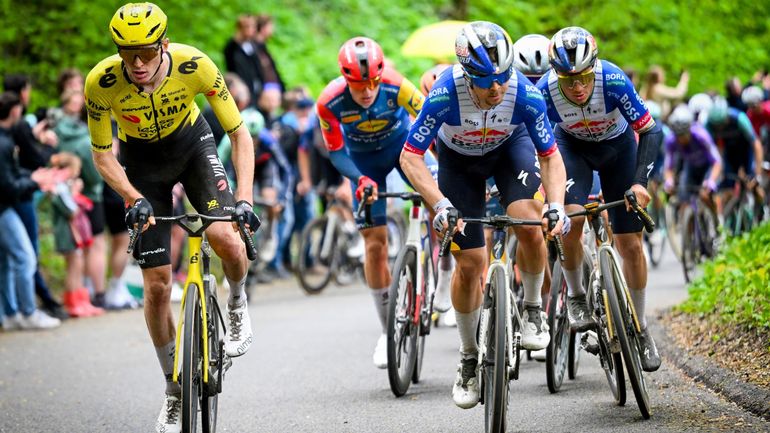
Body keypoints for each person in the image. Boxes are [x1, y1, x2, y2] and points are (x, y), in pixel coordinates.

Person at [84, 4, 260, 432]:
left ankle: (236, 301)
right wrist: (131, 196)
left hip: (193, 145)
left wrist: (246, 198)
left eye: (145, 51)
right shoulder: (100, 83)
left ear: (163, 44)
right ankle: (173, 389)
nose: (137, 63)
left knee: (227, 239)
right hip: (142, 165)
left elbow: (238, 133)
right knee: (158, 286)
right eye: (128, 53)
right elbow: (102, 154)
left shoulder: (195, 64)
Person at [400, 22, 569, 409]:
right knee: (470, 263)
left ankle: (531, 310)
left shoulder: (524, 94)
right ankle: (469, 355)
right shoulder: (444, 93)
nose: (495, 88)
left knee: (530, 221)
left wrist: (555, 203)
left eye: (502, 77)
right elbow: (411, 156)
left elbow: (550, 156)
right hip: (458, 163)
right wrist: (439, 203)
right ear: (465, 73)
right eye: (484, 80)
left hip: (509, 151)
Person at [536, 26, 664, 373]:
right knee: (570, 220)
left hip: (617, 150)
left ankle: (639, 327)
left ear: (595, 67)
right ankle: (576, 296)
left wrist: (639, 183)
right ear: (556, 75)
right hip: (571, 150)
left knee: (631, 245)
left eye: (584, 78)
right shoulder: (544, 91)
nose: (577, 88)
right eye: (568, 80)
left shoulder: (614, 80)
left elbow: (650, 130)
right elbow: (536, 143)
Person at [316, 36, 443, 369]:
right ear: (346, 80)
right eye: (359, 85)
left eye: (373, 81)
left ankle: (442, 271)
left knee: (441, 201)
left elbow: (431, 120)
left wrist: (440, 160)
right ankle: (388, 329)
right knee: (374, 244)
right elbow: (336, 151)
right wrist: (360, 180)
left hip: (405, 150)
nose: (369, 90)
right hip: (363, 164)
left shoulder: (397, 86)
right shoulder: (329, 102)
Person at [0, 91, 61, 331]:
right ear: (15, 110)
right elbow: (7, 187)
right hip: (4, 208)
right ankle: (27, 312)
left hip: (5, 205)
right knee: (25, 257)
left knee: (5, 262)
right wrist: (36, 181)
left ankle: (10, 313)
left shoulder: (5, 140)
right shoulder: (4, 143)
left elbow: (11, 175)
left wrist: (32, 176)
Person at [705, 97, 765, 204]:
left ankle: (764, 211)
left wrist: (758, 173)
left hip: (746, 150)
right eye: (716, 126)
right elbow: (709, 150)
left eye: (722, 124)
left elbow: (756, 144)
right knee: (727, 187)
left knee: (752, 183)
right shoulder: (709, 124)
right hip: (729, 152)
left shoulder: (739, 118)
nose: (720, 128)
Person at [663, 106, 722, 209]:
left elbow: (716, 162)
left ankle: (717, 220)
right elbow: (669, 166)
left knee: (705, 195)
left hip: (708, 166)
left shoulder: (701, 136)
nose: (681, 139)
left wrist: (711, 180)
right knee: (683, 200)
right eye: (678, 136)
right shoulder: (671, 140)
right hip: (691, 166)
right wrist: (669, 180)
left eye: (684, 135)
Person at [223, 14, 263, 107]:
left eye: (253, 26)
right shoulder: (232, 47)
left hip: (254, 89)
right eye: (248, 26)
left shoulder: (252, 45)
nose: (252, 29)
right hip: (240, 88)